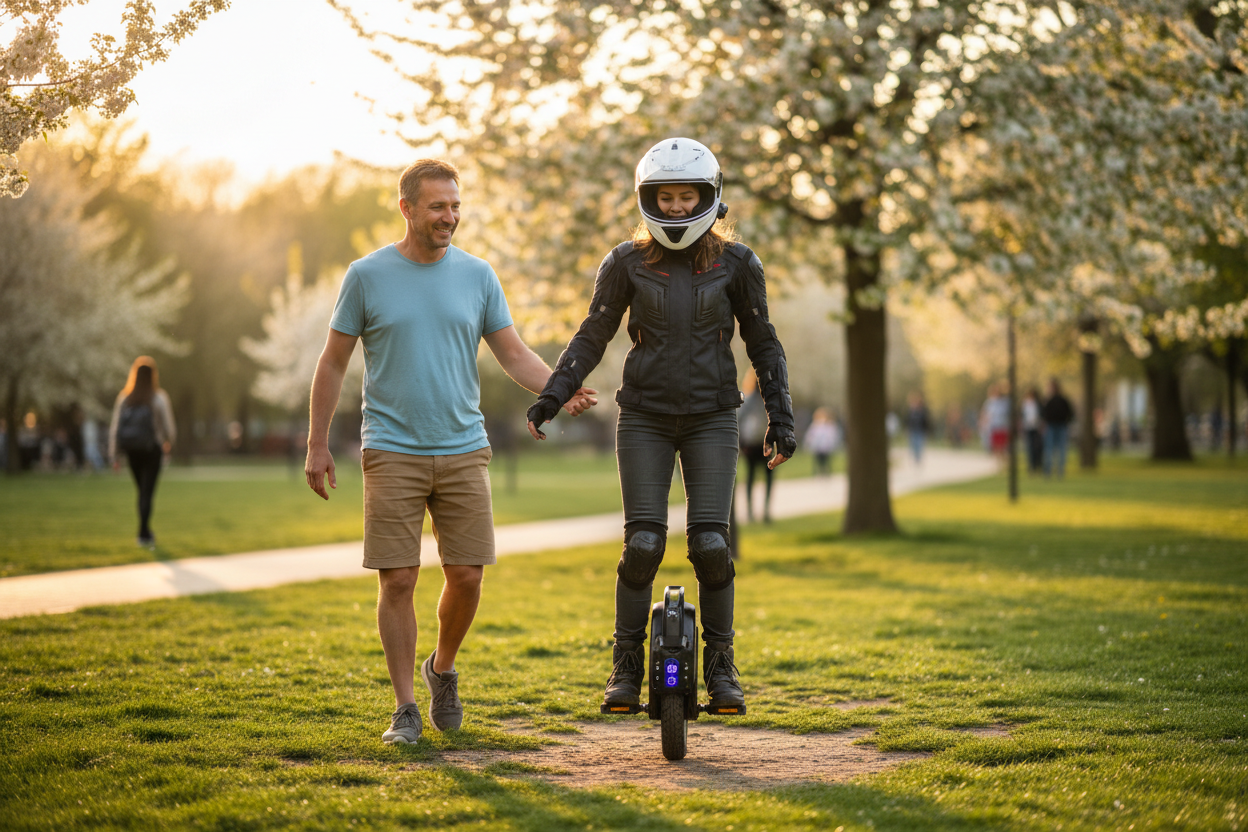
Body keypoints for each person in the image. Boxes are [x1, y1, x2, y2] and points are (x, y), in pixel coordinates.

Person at [304, 160, 597, 746]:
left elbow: (512, 353)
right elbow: (333, 361)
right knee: (399, 581)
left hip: (464, 445)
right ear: (407, 208)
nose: (450, 217)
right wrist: (316, 443)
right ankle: (405, 708)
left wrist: (558, 389)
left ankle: (440, 668)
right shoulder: (366, 276)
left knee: (466, 575)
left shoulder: (478, 275)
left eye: (456, 206)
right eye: (438, 206)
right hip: (391, 447)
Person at [525, 137, 796, 714]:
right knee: (643, 545)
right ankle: (624, 669)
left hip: (714, 417)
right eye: (665, 197)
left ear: (710, 198)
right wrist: (554, 393)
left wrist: (780, 416)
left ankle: (722, 669)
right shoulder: (625, 261)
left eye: (687, 196)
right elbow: (592, 333)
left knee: (712, 545)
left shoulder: (739, 264)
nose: (675, 207)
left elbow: (763, 343)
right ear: (648, 199)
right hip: (644, 416)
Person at [108, 356, 176, 548]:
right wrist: (169, 442)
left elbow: (116, 428)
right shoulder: (158, 397)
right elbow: (168, 427)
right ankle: (144, 533)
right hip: (151, 449)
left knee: (141, 491)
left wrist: (114, 455)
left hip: (132, 451)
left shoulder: (125, 398)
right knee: (147, 492)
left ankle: (144, 532)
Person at [738, 370, 774, 521]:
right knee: (752, 477)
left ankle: (765, 510)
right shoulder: (748, 400)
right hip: (752, 444)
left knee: (765, 478)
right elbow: (739, 421)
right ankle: (752, 511)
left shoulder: (768, 400)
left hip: (764, 443)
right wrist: (742, 442)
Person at [1041, 378, 1075, 478]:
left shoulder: (1051, 400)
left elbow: (1044, 414)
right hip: (1056, 426)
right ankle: (1056, 471)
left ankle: (1053, 471)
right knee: (1057, 449)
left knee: (1053, 449)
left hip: (1058, 426)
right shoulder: (1057, 400)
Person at [805, 407, 840, 477]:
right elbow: (810, 436)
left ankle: (826, 472)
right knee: (818, 460)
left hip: (826, 446)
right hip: (817, 446)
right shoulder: (815, 425)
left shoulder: (830, 425)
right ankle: (818, 472)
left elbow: (833, 436)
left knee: (826, 460)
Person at [905, 391, 931, 465]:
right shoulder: (911, 411)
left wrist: (927, 430)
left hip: (920, 431)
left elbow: (926, 421)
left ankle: (918, 459)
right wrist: (907, 429)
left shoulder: (923, 411)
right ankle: (916, 458)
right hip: (913, 430)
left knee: (919, 445)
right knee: (914, 445)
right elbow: (908, 421)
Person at [1021, 386, 1043, 473]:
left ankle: (1038, 464)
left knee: (1037, 447)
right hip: (1028, 427)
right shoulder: (1025, 404)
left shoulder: (1038, 404)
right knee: (1030, 448)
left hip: (1036, 427)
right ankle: (1031, 466)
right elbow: (1022, 415)